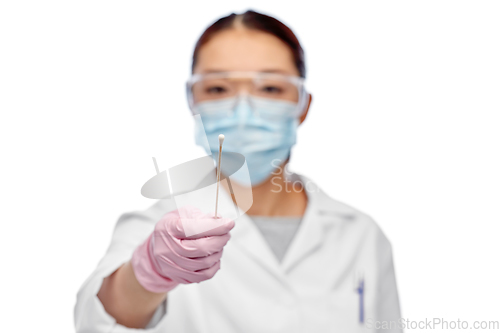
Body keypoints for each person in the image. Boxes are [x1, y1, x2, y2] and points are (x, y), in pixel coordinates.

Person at [75, 10, 402, 333]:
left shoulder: (361, 236)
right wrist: (150, 271)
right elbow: (98, 319)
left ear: (303, 105)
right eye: (218, 89)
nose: (243, 111)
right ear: (193, 102)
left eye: (271, 89)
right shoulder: (157, 228)